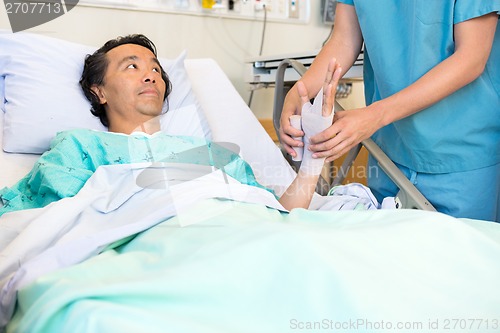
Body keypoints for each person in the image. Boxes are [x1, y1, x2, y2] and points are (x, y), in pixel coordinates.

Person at [0, 34, 341, 217]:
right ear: (98, 90)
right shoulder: (79, 147)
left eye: (155, 68)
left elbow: (280, 214)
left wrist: (313, 157)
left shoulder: (211, 154)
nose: (151, 73)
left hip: (240, 239)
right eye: (131, 67)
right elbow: (45, 220)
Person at [280, 1, 500, 222]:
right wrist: (301, 91)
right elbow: (345, 39)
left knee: (460, 253)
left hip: (460, 152)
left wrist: (376, 115)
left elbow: (471, 57)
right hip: (390, 151)